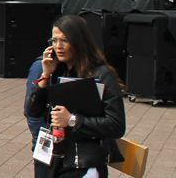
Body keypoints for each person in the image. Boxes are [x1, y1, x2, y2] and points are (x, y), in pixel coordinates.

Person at [26, 15, 126, 178]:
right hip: (55, 160)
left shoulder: (101, 75)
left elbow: (116, 125)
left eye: (64, 40)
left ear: (79, 41)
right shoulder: (56, 72)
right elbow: (32, 111)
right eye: (54, 40)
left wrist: (73, 120)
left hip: (85, 164)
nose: (58, 46)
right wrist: (45, 75)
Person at [25, 59, 51, 178]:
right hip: (47, 139)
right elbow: (30, 110)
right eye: (55, 41)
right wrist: (40, 135)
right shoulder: (40, 66)